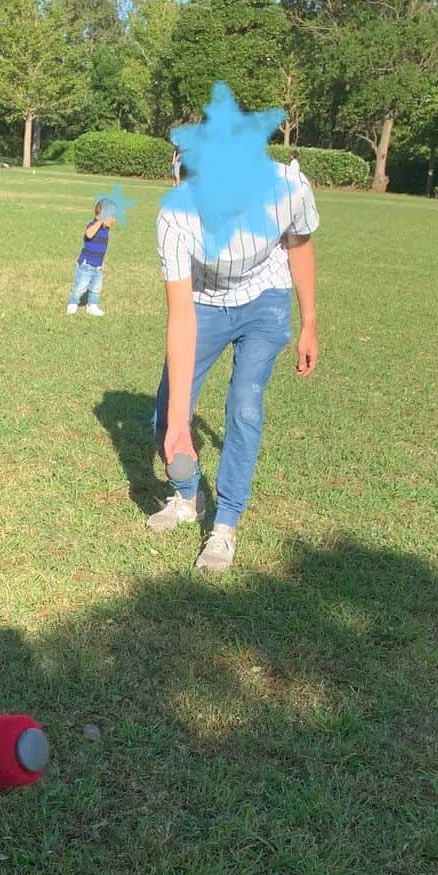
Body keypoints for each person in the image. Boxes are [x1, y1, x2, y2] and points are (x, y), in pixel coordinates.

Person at [147, 94, 320, 572]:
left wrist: (309, 323)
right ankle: (186, 498)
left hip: (265, 300)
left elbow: (300, 248)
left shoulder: (287, 189)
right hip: (204, 303)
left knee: (244, 402)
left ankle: (224, 525)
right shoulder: (176, 215)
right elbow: (180, 315)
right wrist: (180, 423)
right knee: (167, 408)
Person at [66, 199, 116, 318]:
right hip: (86, 265)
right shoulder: (92, 226)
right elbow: (88, 234)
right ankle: (73, 303)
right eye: (112, 217)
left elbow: (102, 249)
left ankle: (92, 306)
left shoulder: (106, 230)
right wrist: (99, 222)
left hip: (97, 266)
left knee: (96, 288)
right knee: (80, 286)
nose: (114, 220)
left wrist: (102, 262)